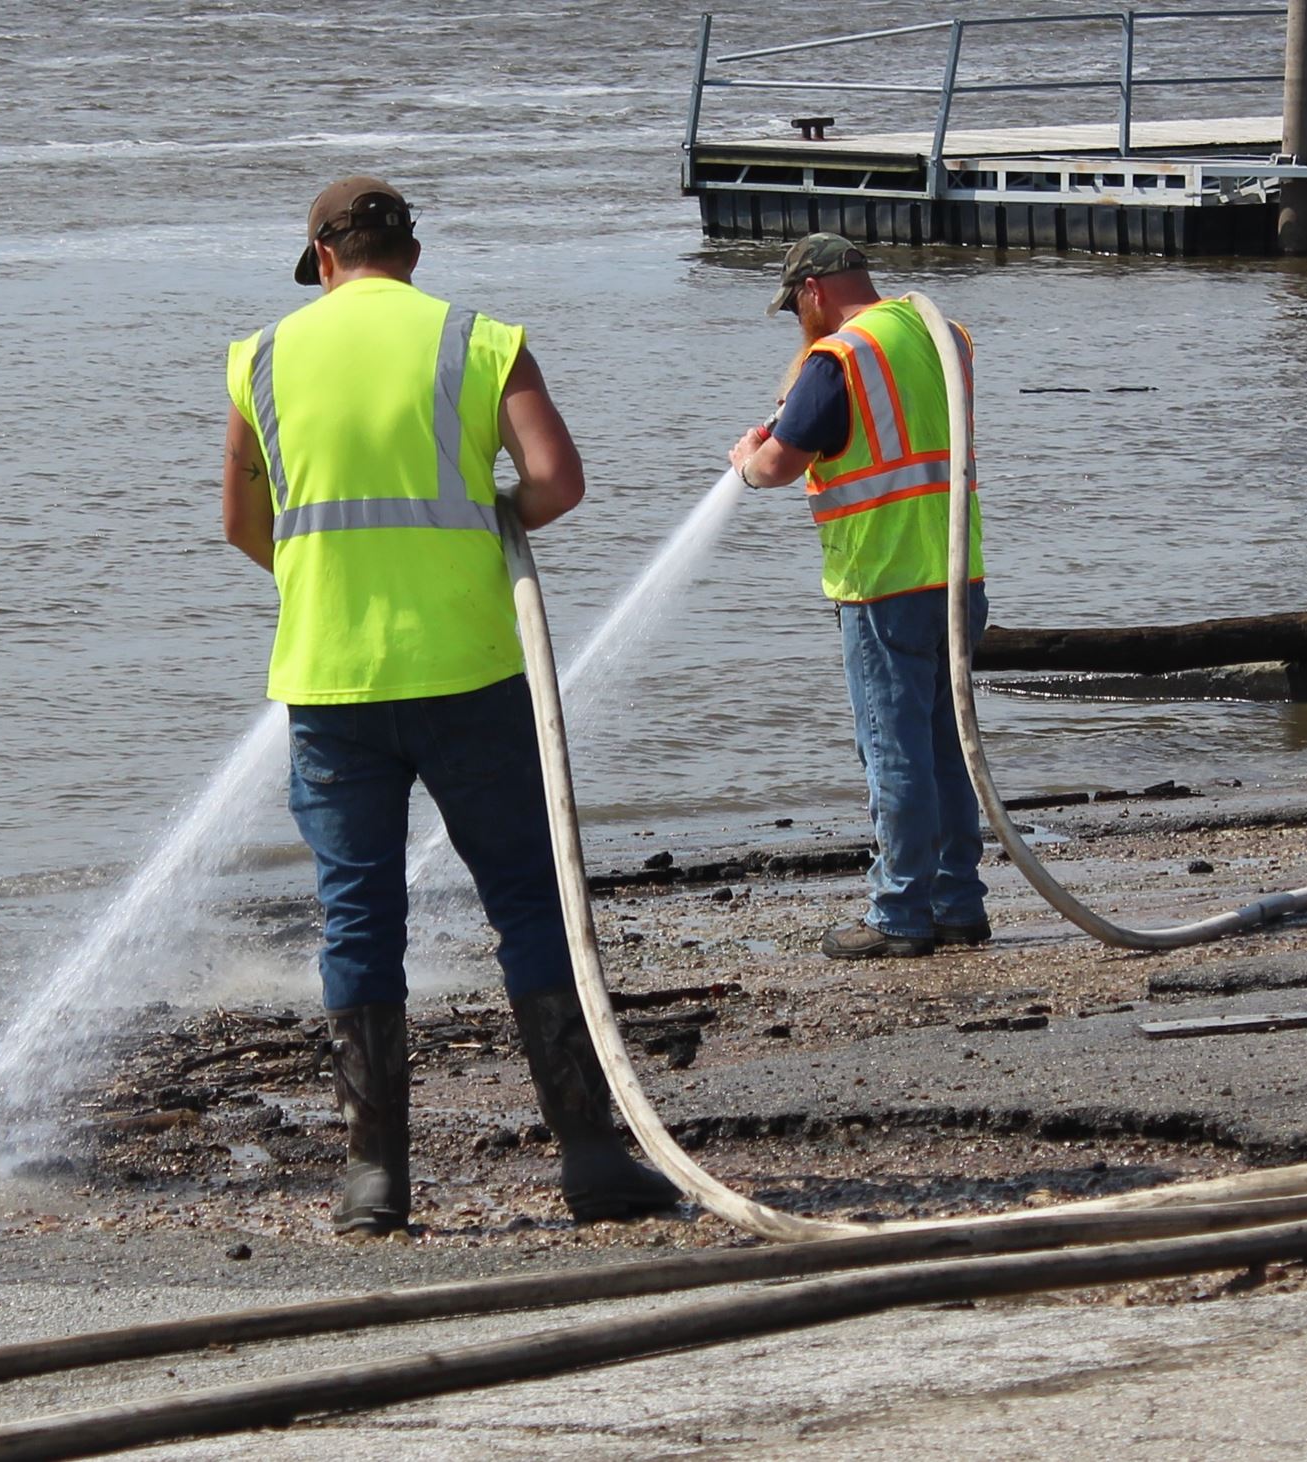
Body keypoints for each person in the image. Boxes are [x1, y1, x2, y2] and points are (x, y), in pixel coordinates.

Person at [221, 176, 683, 1235]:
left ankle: (374, 1179)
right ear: (412, 255)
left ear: (322, 260)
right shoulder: (480, 342)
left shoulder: (261, 358)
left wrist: (330, 582)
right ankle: (590, 1156)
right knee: (527, 902)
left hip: (330, 680)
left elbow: (245, 525)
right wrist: (481, 527)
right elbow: (556, 481)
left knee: (357, 916)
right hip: (471, 670)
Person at [727, 233, 992, 961]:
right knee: (948, 748)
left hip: (883, 584)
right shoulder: (939, 335)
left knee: (893, 752)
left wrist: (747, 464)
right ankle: (958, 903)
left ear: (813, 291)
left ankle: (899, 912)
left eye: (796, 309)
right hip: (959, 575)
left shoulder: (840, 356)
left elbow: (779, 465)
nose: (799, 322)